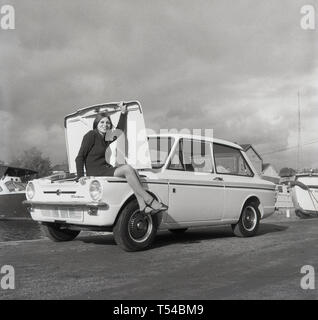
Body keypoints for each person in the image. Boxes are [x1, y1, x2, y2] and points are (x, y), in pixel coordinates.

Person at [75, 102, 168, 215]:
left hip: (104, 168)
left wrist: (123, 113)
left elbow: (119, 131)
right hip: (96, 170)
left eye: (108, 123)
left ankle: (142, 205)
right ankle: (149, 200)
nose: (105, 125)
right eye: (102, 122)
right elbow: (79, 157)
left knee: (134, 171)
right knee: (127, 169)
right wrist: (80, 176)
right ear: (96, 123)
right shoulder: (91, 135)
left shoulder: (105, 137)